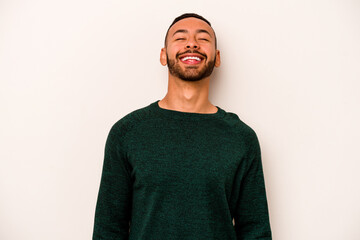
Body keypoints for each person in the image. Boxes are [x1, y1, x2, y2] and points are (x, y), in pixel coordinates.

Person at [92, 13, 272, 240]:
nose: (192, 43)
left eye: (203, 38)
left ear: (216, 58)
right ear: (163, 55)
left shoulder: (241, 138)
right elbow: (108, 231)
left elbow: (256, 231)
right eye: (180, 37)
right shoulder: (127, 133)